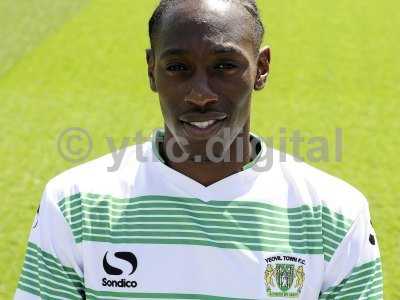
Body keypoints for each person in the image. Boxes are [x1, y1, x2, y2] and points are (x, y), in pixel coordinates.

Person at [15, 0, 383, 299]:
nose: (201, 94)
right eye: (178, 67)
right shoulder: (74, 203)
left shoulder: (334, 215)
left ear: (261, 68)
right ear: (151, 70)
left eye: (224, 66)